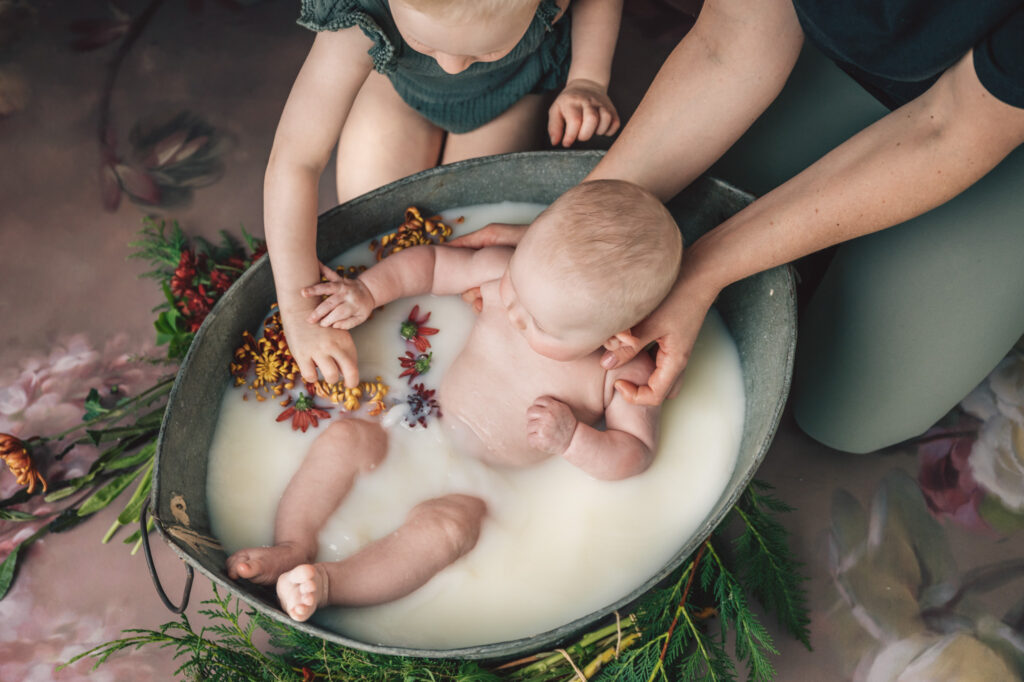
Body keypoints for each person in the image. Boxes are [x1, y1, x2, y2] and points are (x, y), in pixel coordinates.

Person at [456, 0, 1024, 453]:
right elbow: (735, 39)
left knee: (844, 413)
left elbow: (948, 131)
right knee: (650, 239)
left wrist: (705, 269)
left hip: (991, 127)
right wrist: (572, 228)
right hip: (852, 47)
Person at [226, 180, 682, 621]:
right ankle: (292, 543)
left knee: (447, 530)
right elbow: (432, 266)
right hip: (419, 427)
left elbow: (634, 453)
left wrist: (574, 439)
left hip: (481, 487)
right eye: (516, 289)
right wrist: (368, 291)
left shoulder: (625, 372)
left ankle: (329, 584)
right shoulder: (513, 273)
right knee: (346, 436)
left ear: (617, 338)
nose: (515, 311)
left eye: (541, 324)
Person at [266, 0, 624, 395]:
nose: (452, 65)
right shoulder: (362, 16)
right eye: (423, 39)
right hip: (396, 90)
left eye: (483, 50)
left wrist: (587, 80)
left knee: (464, 221)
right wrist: (298, 310)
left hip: (506, 93)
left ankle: (470, 53)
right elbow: (295, 160)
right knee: (374, 215)